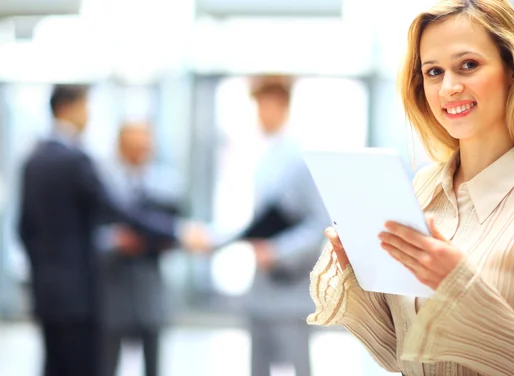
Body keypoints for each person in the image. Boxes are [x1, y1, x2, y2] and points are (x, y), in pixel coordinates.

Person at [307, 1, 514, 375]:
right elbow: (404, 355)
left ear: (513, 70)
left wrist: (461, 290)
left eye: (468, 65)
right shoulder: (423, 189)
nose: (449, 87)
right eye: (433, 71)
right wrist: (361, 272)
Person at [18, 85, 205, 376]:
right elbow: (116, 210)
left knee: (54, 364)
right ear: (69, 108)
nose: (88, 115)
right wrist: (177, 232)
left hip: (46, 291)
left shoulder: (33, 161)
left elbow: (24, 228)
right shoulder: (76, 160)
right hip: (82, 293)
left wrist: (42, 271)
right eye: (86, 107)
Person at [202, 75, 330, 376]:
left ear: (283, 106)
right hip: (261, 284)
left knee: (297, 362)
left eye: (267, 106)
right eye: (258, 106)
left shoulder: (300, 157)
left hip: (290, 282)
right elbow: (257, 223)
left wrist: (277, 251)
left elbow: (319, 223)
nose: (262, 113)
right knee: (258, 364)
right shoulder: (263, 153)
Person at [96, 122, 183, 376]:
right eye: (133, 147)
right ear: (120, 147)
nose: (139, 153)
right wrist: (115, 241)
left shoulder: (166, 184)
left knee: (153, 361)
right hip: (113, 286)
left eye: (144, 147)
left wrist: (163, 240)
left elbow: (176, 229)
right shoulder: (104, 184)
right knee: (107, 362)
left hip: (149, 286)